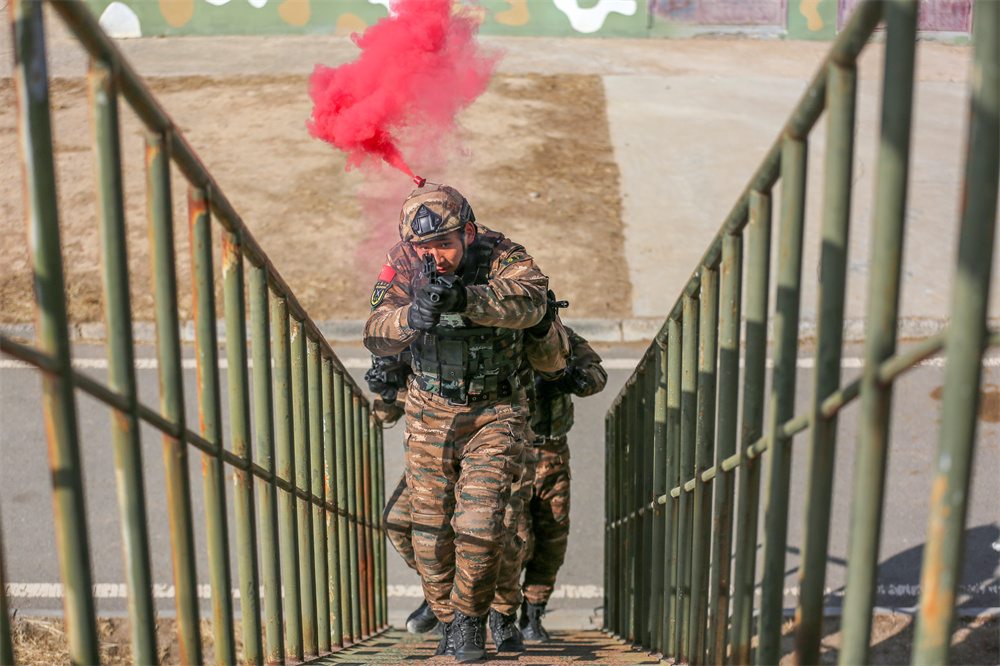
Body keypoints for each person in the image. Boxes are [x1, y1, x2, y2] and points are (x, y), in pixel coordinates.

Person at [364, 183, 566, 662]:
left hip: (495, 411)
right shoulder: (403, 262)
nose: (435, 257)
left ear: (468, 234)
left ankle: (476, 622)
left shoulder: (502, 254)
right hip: (429, 412)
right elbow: (375, 333)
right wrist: (412, 316)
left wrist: (466, 300)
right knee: (429, 531)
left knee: (482, 521)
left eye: (446, 245)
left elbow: (532, 302)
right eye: (425, 248)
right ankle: (450, 620)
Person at [518, 325, 607, 642]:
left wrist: (573, 379)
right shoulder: (498, 332)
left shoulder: (560, 335)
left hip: (552, 449)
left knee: (552, 538)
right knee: (516, 538)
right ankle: (499, 611)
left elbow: (597, 374)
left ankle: (533, 613)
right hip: (509, 451)